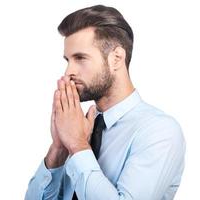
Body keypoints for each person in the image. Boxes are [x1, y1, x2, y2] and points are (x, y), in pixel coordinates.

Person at [25, 4, 185, 200]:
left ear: (116, 58)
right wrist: (59, 148)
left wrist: (77, 145)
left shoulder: (159, 131)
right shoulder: (79, 127)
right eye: (68, 60)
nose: (68, 72)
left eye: (80, 58)